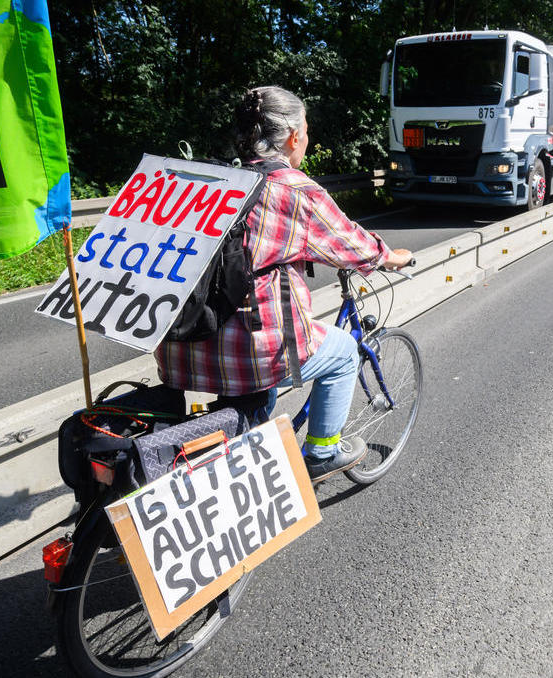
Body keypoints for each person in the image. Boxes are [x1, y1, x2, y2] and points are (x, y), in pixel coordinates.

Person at [155, 86, 413, 481]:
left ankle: (245, 450)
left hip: (179, 344)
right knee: (344, 352)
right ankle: (323, 453)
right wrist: (394, 257)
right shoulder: (294, 191)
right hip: (247, 351)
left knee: (256, 393)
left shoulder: (211, 182)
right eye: (306, 131)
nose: (306, 140)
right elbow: (352, 245)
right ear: (294, 136)